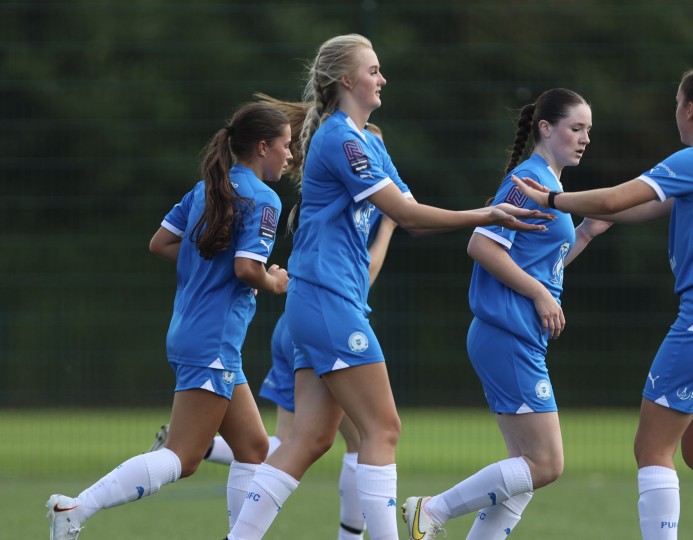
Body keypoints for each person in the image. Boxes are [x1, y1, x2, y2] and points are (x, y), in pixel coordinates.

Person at [225, 34, 551, 540]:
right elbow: (405, 214)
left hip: (325, 302)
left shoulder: (368, 142)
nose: (383, 78)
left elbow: (411, 215)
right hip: (328, 299)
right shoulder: (340, 138)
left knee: (309, 439)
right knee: (383, 429)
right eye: (373, 70)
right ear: (346, 80)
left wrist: (488, 209)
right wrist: (485, 215)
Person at [509, 69, 693, 540]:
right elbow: (643, 206)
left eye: (676, 104)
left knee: (652, 450)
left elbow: (615, 197)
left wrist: (551, 197)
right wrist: (594, 223)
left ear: (689, 109)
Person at [45, 102, 292, 540]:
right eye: (285, 145)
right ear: (262, 147)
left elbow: (160, 243)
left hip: (193, 334)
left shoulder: (206, 189)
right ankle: (75, 508)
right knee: (184, 457)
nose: (289, 155)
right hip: (212, 341)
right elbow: (246, 268)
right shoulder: (264, 198)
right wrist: (273, 281)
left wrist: (209, 269)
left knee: (254, 448)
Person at [147, 122, 395, 540]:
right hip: (327, 324)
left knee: (295, 441)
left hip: (297, 323)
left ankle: (209, 451)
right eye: (370, 152)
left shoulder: (332, 196)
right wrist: (389, 227)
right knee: (371, 435)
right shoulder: (349, 202)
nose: (375, 163)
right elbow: (361, 277)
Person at [400, 88, 611, 540]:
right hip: (506, 332)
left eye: (588, 130)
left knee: (525, 469)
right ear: (545, 128)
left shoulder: (551, 188)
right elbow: (481, 245)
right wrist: (539, 295)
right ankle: (431, 509)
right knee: (546, 464)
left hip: (516, 334)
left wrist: (586, 233)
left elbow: (543, 264)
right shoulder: (526, 180)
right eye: (576, 128)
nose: (585, 138)